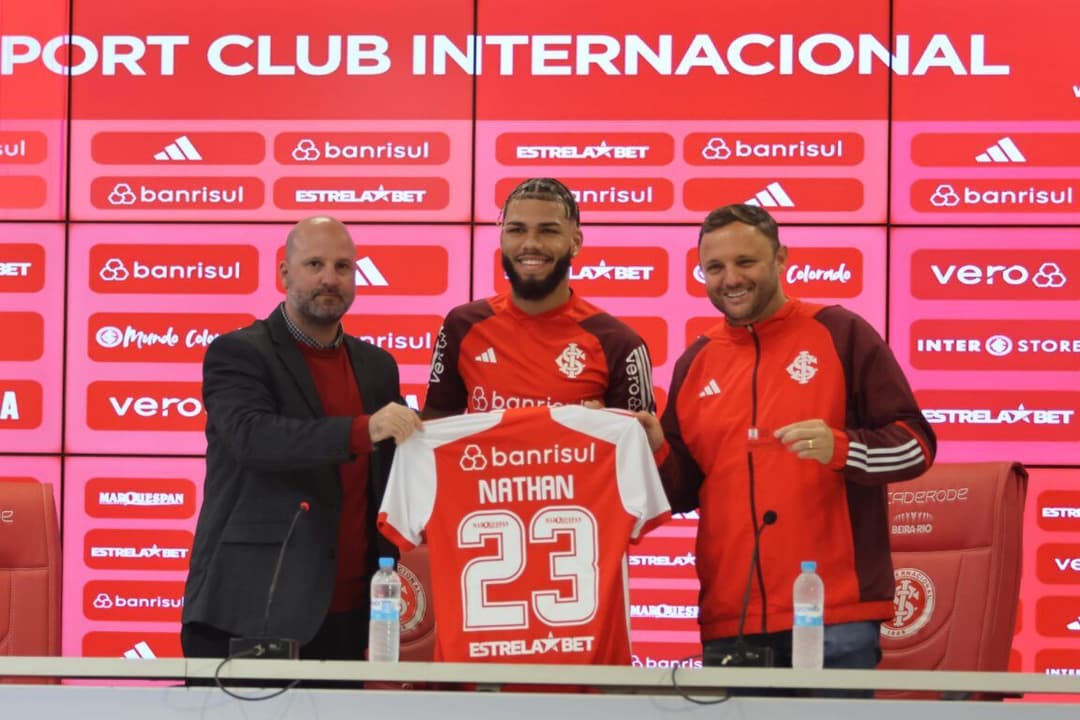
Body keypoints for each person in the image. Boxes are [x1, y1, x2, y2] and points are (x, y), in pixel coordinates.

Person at [637, 203, 936, 673]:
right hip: (730, 620)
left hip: (835, 617)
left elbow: (916, 445)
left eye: (746, 262)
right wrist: (655, 445)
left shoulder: (842, 333)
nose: (730, 278)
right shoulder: (695, 363)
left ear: (781, 259)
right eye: (714, 267)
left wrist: (842, 447)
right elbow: (681, 492)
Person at [181, 216, 422, 661]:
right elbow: (252, 438)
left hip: (357, 614)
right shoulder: (237, 353)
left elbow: (393, 471)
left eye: (344, 267)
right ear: (285, 273)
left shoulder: (377, 366)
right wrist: (363, 428)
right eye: (314, 264)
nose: (330, 279)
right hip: (252, 610)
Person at [424, 177, 655, 418]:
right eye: (516, 230)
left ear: (575, 242)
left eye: (548, 231)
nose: (531, 243)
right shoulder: (462, 325)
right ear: (502, 237)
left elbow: (642, 448)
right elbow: (433, 432)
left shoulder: (619, 344)